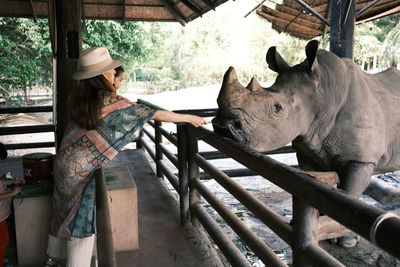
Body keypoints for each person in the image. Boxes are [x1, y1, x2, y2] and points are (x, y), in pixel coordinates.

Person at [44, 46, 207, 267]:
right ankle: (76, 263)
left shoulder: (78, 99)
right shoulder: (108, 100)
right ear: (103, 74)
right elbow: (148, 112)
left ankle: (54, 257)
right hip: (83, 171)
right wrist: (188, 118)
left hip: (65, 166)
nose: (114, 75)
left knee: (64, 211)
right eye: (111, 72)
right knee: (80, 219)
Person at [0, 143, 24, 267]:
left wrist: (12, 181)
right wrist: (12, 193)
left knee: (3, 240)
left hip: (1, 215)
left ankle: (1, 258)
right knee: (3, 240)